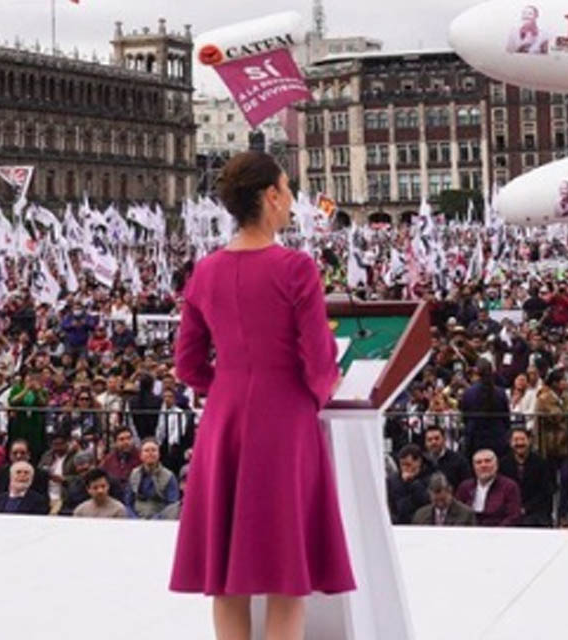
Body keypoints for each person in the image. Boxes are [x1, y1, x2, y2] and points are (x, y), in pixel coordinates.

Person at [169, 151, 355, 640]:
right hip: (286, 420)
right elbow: (319, 359)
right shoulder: (295, 268)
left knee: (226, 577)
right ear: (270, 197)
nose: (293, 200)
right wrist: (321, 389)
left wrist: (229, 384)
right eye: (288, 189)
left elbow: (187, 363)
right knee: (285, 573)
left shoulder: (204, 271)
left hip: (224, 420)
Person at [498, 428, 554, 527]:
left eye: (522, 439)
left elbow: (546, 492)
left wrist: (526, 509)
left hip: (535, 511)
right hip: (509, 510)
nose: (519, 443)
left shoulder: (541, 463)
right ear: (510, 443)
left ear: (529, 441)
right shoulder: (503, 464)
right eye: (516, 440)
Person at [455, 448, 522, 526]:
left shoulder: (509, 487)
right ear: (473, 467)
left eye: (488, 461)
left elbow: (513, 516)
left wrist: (494, 533)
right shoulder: (464, 487)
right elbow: (457, 513)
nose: (483, 465)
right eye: (478, 462)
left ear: (496, 465)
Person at [460, 359, 511, 458]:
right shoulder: (501, 392)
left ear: (476, 372)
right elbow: (506, 418)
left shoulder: (469, 393)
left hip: (475, 437)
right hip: (497, 437)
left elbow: (465, 417)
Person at [125, 439, 180, 519]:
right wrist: (134, 519)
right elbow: (128, 503)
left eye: (153, 450)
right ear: (140, 455)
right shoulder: (134, 474)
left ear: (159, 454)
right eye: (146, 451)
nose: (150, 453)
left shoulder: (169, 476)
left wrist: (156, 519)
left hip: (161, 521)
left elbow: (173, 505)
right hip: (136, 520)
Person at [386, 444, 430, 525]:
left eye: (408, 464)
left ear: (418, 462)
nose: (405, 468)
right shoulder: (393, 480)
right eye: (402, 465)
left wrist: (412, 483)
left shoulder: (429, 477)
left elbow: (425, 501)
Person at [412, 472, 476, 526]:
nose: (439, 502)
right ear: (429, 494)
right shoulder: (420, 516)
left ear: (450, 491)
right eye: (436, 500)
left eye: (443, 499)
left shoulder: (466, 515)